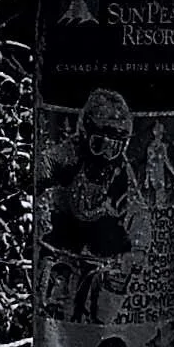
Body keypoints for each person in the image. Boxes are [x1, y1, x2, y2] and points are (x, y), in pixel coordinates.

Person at [40, 88, 151, 323]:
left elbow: (137, 209)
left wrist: (137, 250)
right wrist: (41, 206)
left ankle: (102, 321)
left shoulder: (120, 172)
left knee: (115, 282)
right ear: (84, 135)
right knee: (62, 280)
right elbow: (44, 168)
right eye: (99, 144)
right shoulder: (70, 155)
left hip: (101, 244)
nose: (106, 156)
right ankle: (56, 311)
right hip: (65, 238)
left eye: (115, 148)